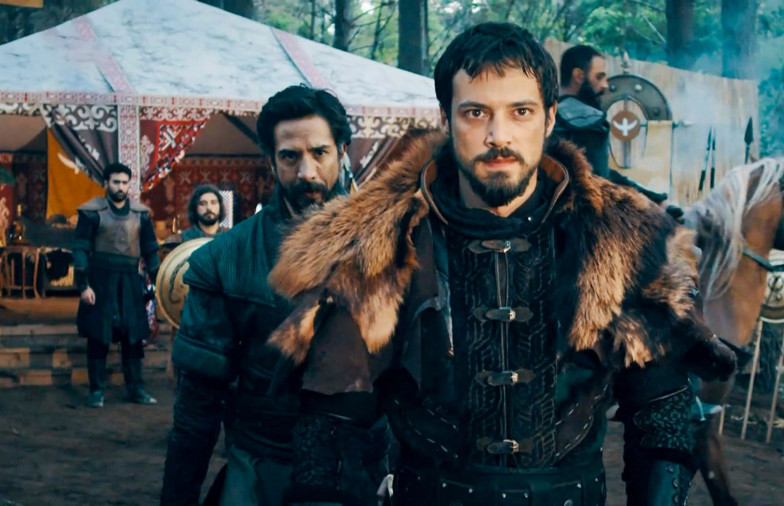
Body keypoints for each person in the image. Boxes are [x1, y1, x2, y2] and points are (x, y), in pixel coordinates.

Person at [267, 22, 734, 506]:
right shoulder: (379, 245)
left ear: (549, 119)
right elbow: (330, 434)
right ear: (446, 119)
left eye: (520, 112)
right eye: (475, 113)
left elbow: (661, 418)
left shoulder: (621, 238)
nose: (498, 136)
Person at [160, 85, 384, 506]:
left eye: (319, 153)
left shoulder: (394, 247)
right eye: (290, 157)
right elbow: (196, 408)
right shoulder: (225, 258)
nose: (306, 172)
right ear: (271, 161)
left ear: (342, 151)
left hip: (362, 469)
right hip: (262, 467)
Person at [73, 162, 160, 408]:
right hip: (100, 280)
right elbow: (80, 248)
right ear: (106, 183)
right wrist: (84, 285)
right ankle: (96, 390)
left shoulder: (140, 214)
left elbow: (150, 250)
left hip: (130, 280)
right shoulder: (92, 212)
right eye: (116, 182)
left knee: (132, 337)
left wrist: (158, 283)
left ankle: (136, 389)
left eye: (124, 183)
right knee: (98, 335)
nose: (121, 187)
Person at [554, 44, 670, 205]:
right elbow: (600, 181)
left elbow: (601, 172)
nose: (605, 85)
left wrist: (653, 197)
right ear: (579, 76)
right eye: (599, 77)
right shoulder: (588, 120)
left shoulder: (545, 113)